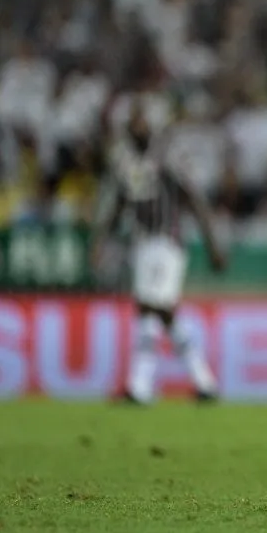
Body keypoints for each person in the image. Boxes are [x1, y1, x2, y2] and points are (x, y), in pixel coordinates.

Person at [91, 103, 226, 404]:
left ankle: (139, 387)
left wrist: (213, 244)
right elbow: (119, 206)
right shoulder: (126, 164)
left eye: (143, 123)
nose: (139, 128)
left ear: (150, 128)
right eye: (134, 123)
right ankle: (203, 383)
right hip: (142, 243)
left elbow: (193, 199)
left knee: (154, 307)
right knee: (158, 311)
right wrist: (103, 241)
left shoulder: (166, 158)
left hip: (167, 241)